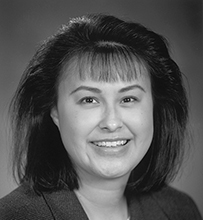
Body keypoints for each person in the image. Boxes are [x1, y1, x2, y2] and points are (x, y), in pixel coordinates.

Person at [0, 13, 202, 220]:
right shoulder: (13, 215)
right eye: (89, 100)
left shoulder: (180, 210)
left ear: (155, 107)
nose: (112, 123)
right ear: (54, 110)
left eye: (129, 99)